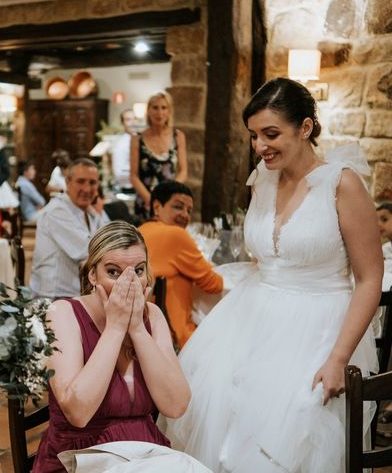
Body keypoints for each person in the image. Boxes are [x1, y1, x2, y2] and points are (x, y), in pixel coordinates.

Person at [163, 77, 382, 472]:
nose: (260, 146)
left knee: (292, 437)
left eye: (271, 134)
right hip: (251, 321)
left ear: (305, 128)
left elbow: (369, 278)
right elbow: (265, 259)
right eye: (253, 136)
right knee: (223, 420)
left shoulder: (341, 184)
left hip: (318, 328)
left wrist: (338, 358)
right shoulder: (262, 181)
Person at [33, 221, 192, 473]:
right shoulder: (62, 313)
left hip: (146, 454)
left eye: (138, 271)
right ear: (92, 275)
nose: (127, 283)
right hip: (80, 457)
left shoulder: (153, 316)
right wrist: (116, 328)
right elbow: (78, 412)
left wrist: (138, 329)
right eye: (114, 272)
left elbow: (175, 406)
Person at [139, 181, 223, 347]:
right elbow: (215, 285)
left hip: (142, 333)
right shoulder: (176, 234)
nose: (185, 215)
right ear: (157, 206)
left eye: (189, 210)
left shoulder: (139, 231)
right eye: (178, 207)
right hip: (174, 338)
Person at [30, 158, 106, 298]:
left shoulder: (88, 212)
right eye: (80, 181)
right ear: (67, 182)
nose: (87, 189)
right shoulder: (57, 211)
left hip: (79, 293)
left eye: (92, 182)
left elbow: (110, 236)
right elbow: (88, 250)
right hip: (54, 300)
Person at [130, 91, 188, 220]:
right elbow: (133, 176)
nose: (159, 113)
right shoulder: (137, 139)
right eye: (155, 108)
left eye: (164, 107)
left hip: (170, 202)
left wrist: (170, 196)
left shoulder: (178, 136)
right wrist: (151, 201)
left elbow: (183, 171)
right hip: (145, 203)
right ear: (148, 111)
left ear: (169, 111)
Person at [109, 108, 137, 191]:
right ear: (122, 123)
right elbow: (118, 173)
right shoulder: (120, 145)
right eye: (128, 120)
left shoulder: (140, 139)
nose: (133, 122)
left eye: (134, 119)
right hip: (129, 188)